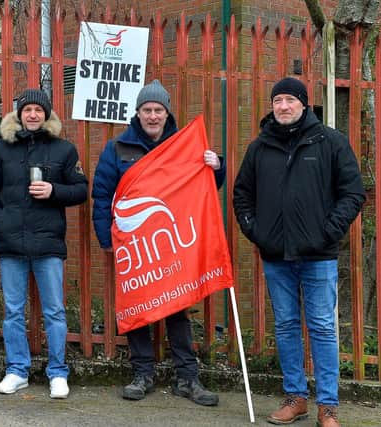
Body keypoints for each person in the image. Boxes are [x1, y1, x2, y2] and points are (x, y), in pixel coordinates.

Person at [233, 77, 365, 427]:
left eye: (290, 100)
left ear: (304, 104)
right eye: (278, 101)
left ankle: (328, 407)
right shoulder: (259, 148)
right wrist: (257, 232)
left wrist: (329, 231)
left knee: (322, 327)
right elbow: (241, 194)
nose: (284, 106)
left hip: (319, 256)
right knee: (287, 326)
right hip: (277, 257)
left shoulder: (330, 142)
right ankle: (295, 398)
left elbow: (353, 193)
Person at [91, 79, 226, 406]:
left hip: (171, 244)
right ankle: (142, 374)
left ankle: (187, 377)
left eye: (158, 110)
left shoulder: (184, 145)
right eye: (147, 110)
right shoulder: (118, 148)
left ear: (167, 113)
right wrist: (105, 236)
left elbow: (204, 187)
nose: (153, 116)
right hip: (136, 244)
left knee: (178, 310)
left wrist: (216, 167)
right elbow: (102, 194)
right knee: (138, 310)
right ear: (137, 113)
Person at [0, 88, 88, 399]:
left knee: (54, 310)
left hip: (48, 243)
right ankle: (16, 370)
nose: (33, 115)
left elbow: (81, 189)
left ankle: (57, 372)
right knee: (13, 310)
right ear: (19, 114)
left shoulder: (64, 150)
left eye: (39, 110)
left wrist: (54, 190)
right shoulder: (1, 149)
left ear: (47, 115)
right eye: (27, 110)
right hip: (10, 242)